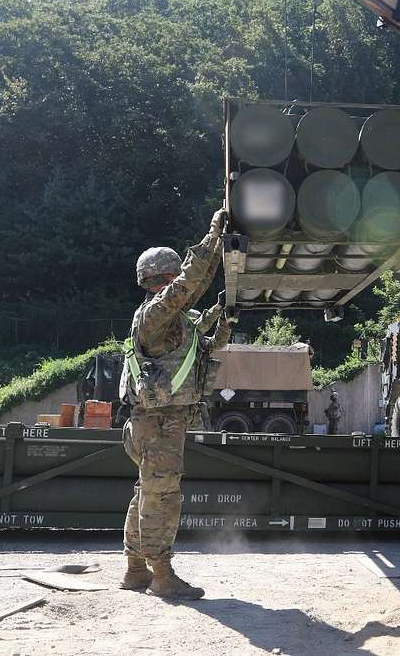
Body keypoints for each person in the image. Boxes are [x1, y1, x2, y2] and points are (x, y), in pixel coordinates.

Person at [118, 208, 235, 599]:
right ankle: (162, 575)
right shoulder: (156, 315)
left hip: (154, 422)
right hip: (159, 424)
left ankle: (136, 570)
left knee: (147, 492)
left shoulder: (173, 323)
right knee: (162, 496)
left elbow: (205, 345)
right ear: (163, 278)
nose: (176, 284)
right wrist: (214, 236)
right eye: (173, 278)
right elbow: (192, 280)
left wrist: (223, 315)